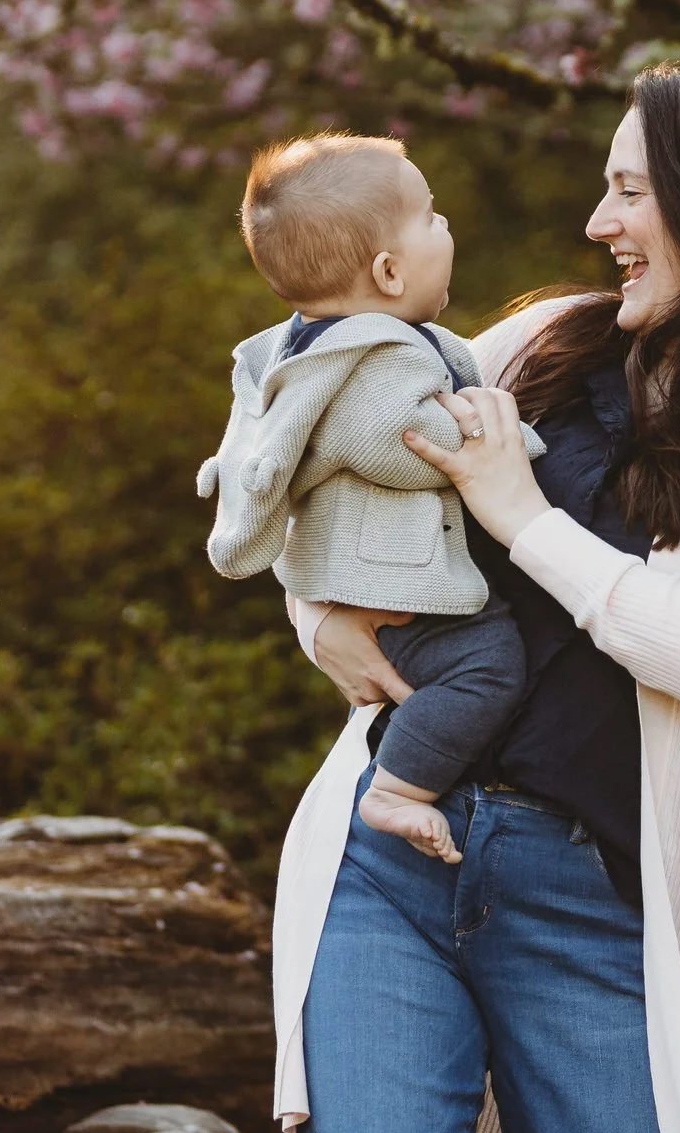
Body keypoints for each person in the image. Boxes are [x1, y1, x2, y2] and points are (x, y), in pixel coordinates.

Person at [268, 57, 680, 1133]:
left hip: (600, 897)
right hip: (388, 858)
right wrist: (317, 617)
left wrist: (518, 515)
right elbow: (332, 459)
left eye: (631, 191)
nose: (597, 220)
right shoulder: (544, 344)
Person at [200, 133, 544, 862]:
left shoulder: (310, 345)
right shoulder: (372, 352)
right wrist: (498, 437)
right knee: (487, 664)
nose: (445, 225)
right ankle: (398, 788)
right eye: (430, 215)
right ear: (389, 272)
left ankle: (404, 776)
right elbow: (398, 441)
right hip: (399, 589)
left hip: (370, 583)